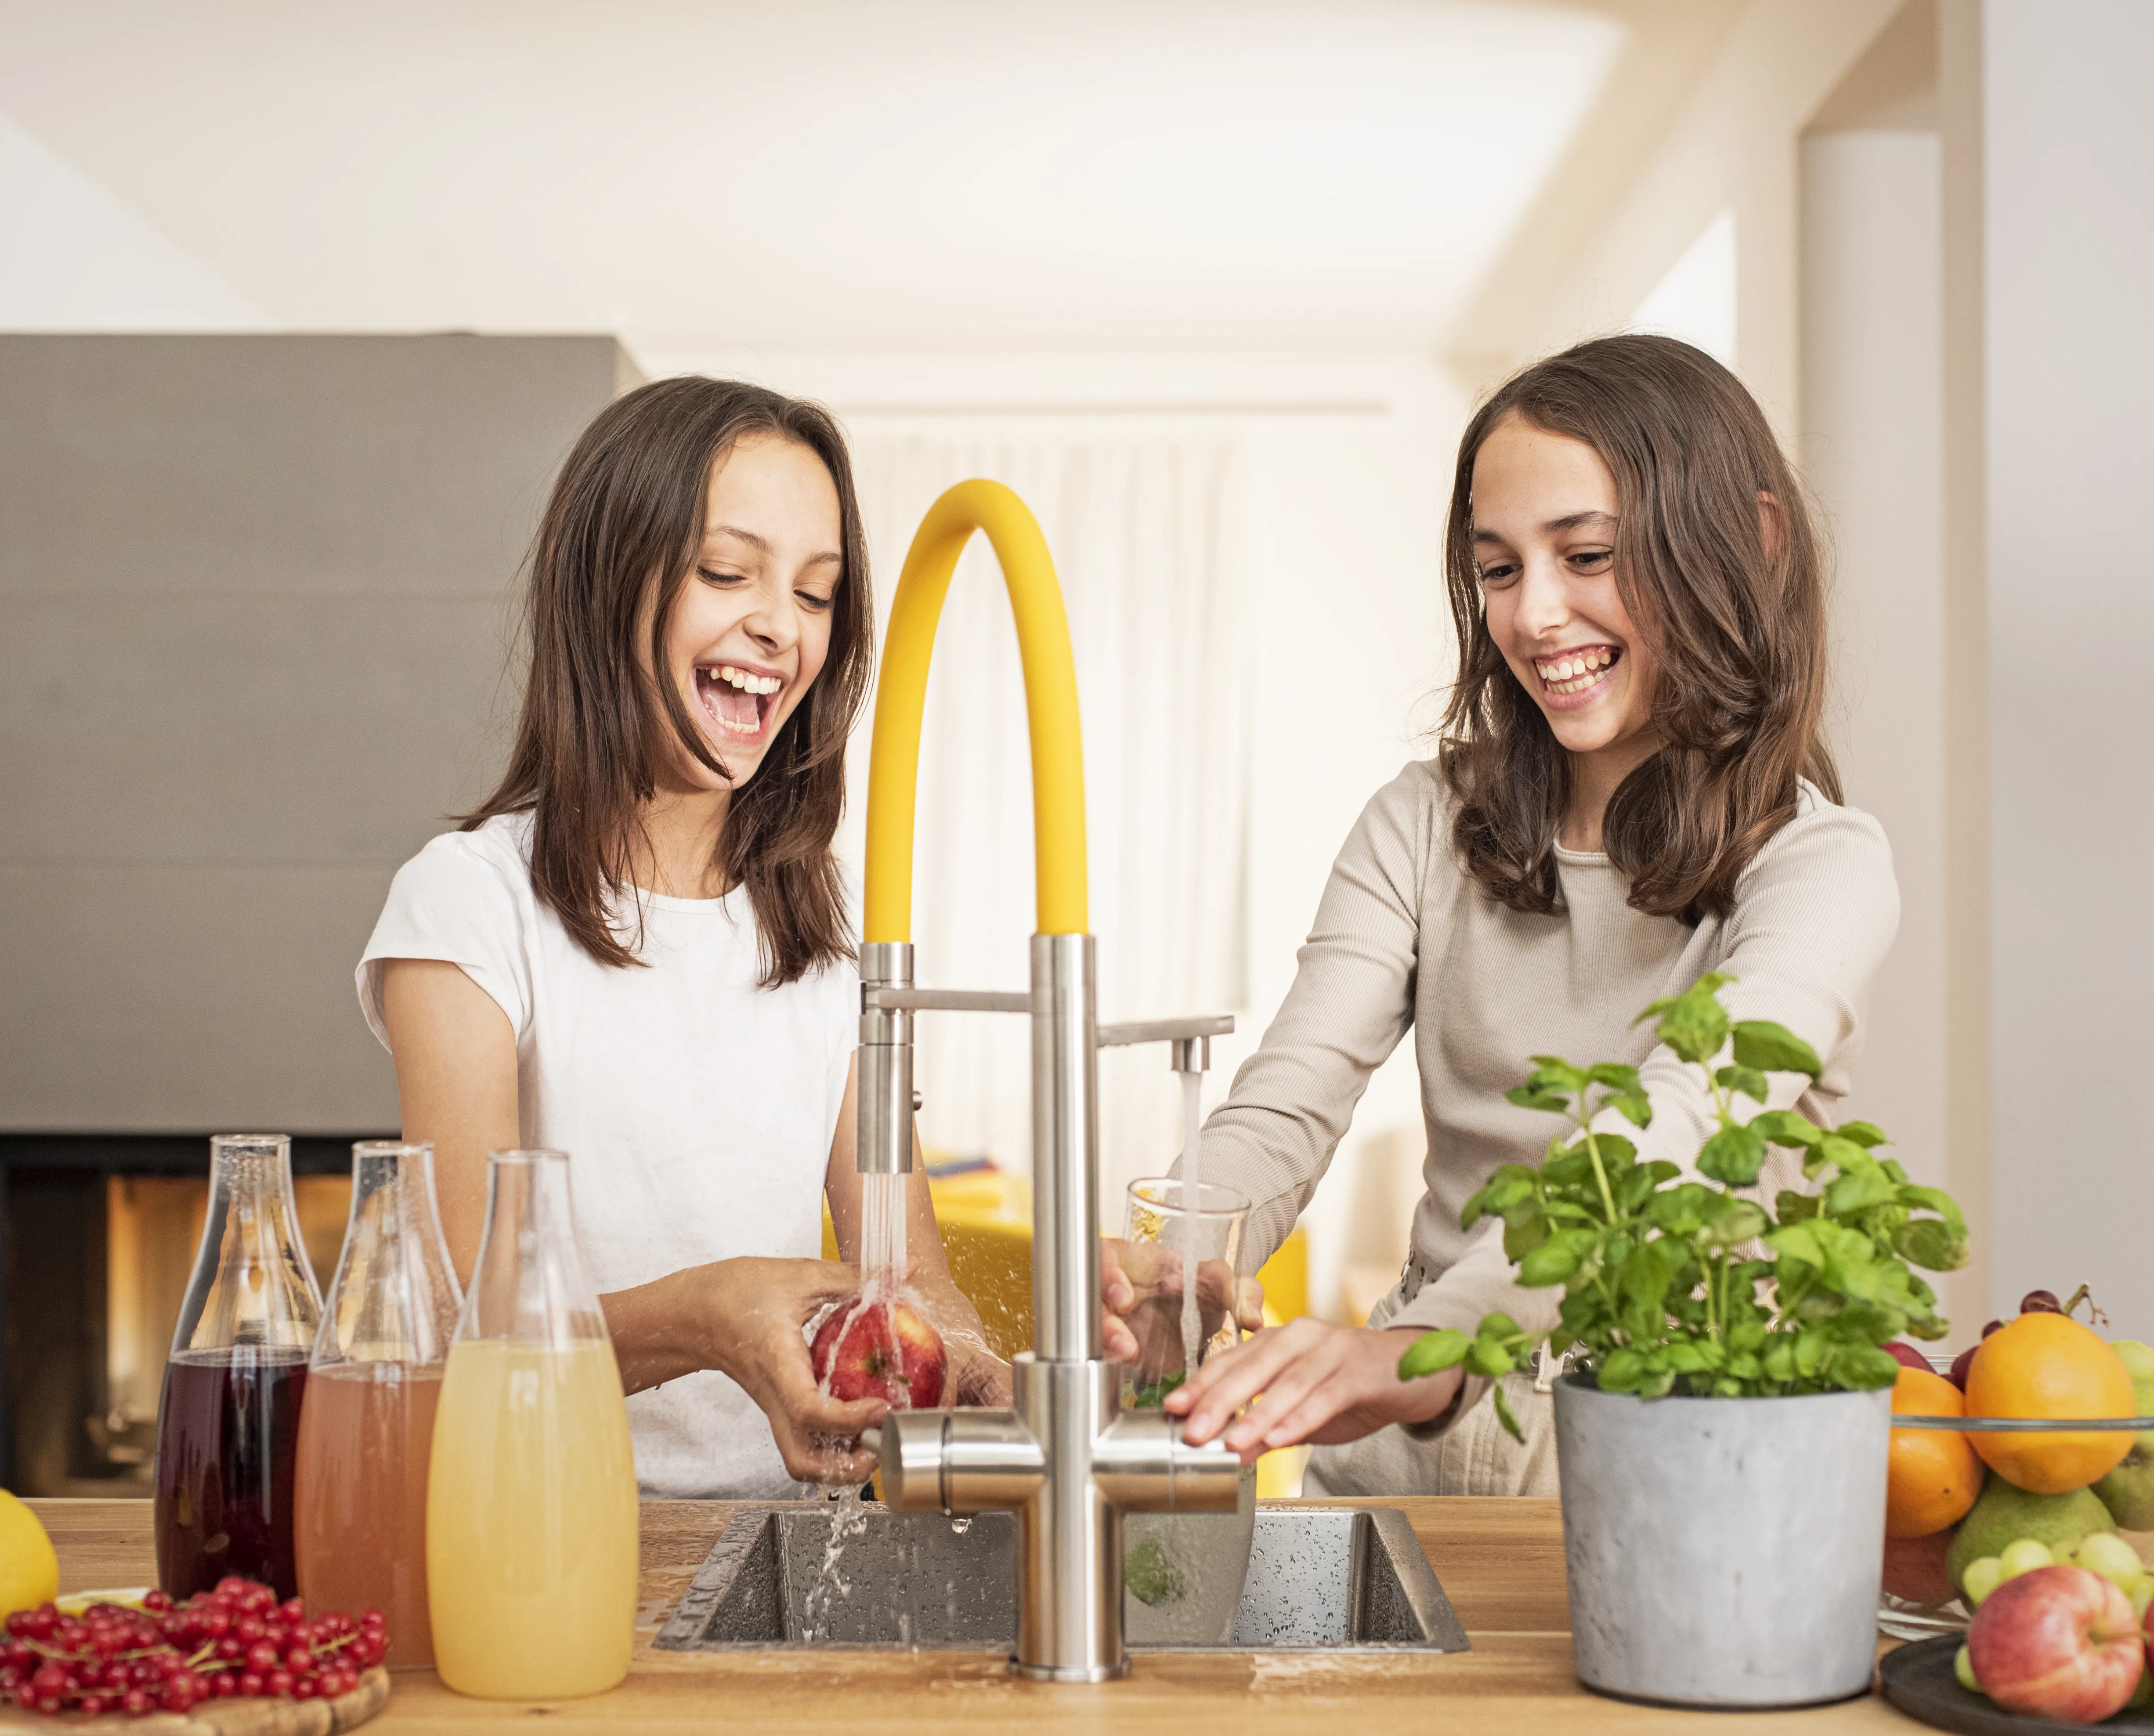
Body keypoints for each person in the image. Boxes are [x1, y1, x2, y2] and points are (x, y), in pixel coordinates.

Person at [1134, 336, 1900, 1495]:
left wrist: (1425, 1349)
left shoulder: (1819, 867)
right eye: (1499, 570)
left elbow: (1671, 1140)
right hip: (1407, 1451)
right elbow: (1290, 1099)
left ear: (1752, 542)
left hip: (1670, 1462)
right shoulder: (1424, 822)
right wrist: (1176, 1256)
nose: (1537, 616)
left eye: (1586, 554)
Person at [356, 376, 1003, 1498]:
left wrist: (993, 1373)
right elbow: (460, 1336)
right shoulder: (468, 905)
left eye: (816, 592)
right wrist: (709, 1314)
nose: (779, 625)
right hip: (537, 1536)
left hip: (783, 1545)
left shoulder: (820, 940)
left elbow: (912, 1286)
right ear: (609, 584)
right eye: (725, 572)